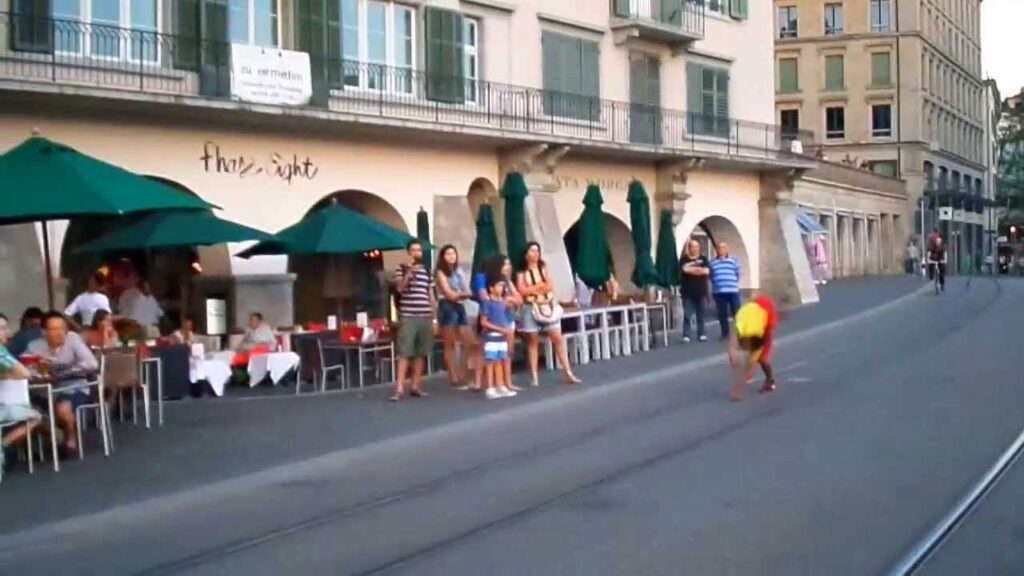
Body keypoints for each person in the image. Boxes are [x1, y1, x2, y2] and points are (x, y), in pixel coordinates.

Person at [26, 312, 99, 457]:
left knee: (63, 407)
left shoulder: (72, 339)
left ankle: (70, 441)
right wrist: (34, 369)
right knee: (27, 409)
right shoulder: (35, 346)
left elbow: (92, 364)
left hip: (73, 387)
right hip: (43, 391)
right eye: (53, 329)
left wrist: (66, 369)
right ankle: (54, 434)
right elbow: (24, 365)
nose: (59, 333)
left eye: (62, 328)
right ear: (44, 332)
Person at [516, 242, 580, 387]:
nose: (536, 253)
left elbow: (549, 286)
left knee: (557, 338)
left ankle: (568, 372)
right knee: (533, 341)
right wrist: (538, 287)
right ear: (526, 255)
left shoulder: (543, 269)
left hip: (546, 306)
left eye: (537, 250)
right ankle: (534, 375)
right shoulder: (521, 273)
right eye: (532, 251)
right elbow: (522, 291)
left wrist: (534, 289)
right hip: (530, 307)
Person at [390, 239, 435, 401]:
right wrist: (409, 273)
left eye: (419, 250)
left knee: (420, 352)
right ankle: (399, 388)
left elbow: (430, 295)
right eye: (414, 250)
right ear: (409, 252)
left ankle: (416, 386)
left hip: (425, 315)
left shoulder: (428, 272)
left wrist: (434, 317)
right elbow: (400, 288)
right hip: (408, 316)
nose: (417, 253)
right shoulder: (400, 269)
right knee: (405, 352)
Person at [434, 245, 480, 390]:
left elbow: (468, 290)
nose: (451, 256)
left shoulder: (459, 271)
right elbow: (449, 293)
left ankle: (463, 372)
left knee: (469, 341)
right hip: (446, 306)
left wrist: (461, 294)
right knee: (450, 343)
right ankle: (453, 376)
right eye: (448, 254)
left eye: (453, 253)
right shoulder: (440, 272)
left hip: (459, 305)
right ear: (443, 256)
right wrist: (461, 294)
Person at [0, 336, 41, 480]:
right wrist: (8, 375)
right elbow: (25, 373)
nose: (7, 332)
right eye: (2, 328)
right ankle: (4, 444)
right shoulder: (1, 352)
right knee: (35, 416)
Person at [727, 295, 779, 402]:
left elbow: (749, 365)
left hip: (767, 313)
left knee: (762, 359)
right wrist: (733, 358)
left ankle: (770, 380)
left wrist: (738, 389)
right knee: (745, 360)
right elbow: (731, 345)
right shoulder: (740, 326)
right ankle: (768, 379)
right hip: (754, 307)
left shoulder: (760, 333)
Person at [479, 275, 518, 400]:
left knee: (501, 360)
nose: (501, 288)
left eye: (503, 286)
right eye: (499, 285)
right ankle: (490, 387)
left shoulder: (503, 302)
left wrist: (506, 329)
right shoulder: (487, 302)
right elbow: (484, 322)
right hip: (492, 336)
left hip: (502, 336)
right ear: (491, 288)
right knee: (491, 361)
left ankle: (500, 385)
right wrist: (500, 329)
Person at [679, 239, 710, 343]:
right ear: (689, 248)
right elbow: (684, 270)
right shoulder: (684, 259)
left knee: (701, 315)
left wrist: (692, 271)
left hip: (701, 291)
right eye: (692, 246)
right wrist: (699, 270)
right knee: (687, 314)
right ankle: (686, 335)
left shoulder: (704, 259)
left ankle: (701, 334)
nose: (695, 248)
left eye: (696, 246)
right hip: (687, 292)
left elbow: (706, 271)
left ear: (699, 248)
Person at [710, 242, 742, 340]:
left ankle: (740, 332)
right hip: (719, 291)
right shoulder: (712, 262)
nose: (721, 250)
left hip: (732, 290)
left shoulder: (734, 260)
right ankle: (725, 333)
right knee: (722, 313)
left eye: (724, 248)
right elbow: (711, 275)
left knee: (737, 312)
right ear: (717, 250)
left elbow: (737, 274)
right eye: (719, 248)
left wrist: (732, 282)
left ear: (727, 249)